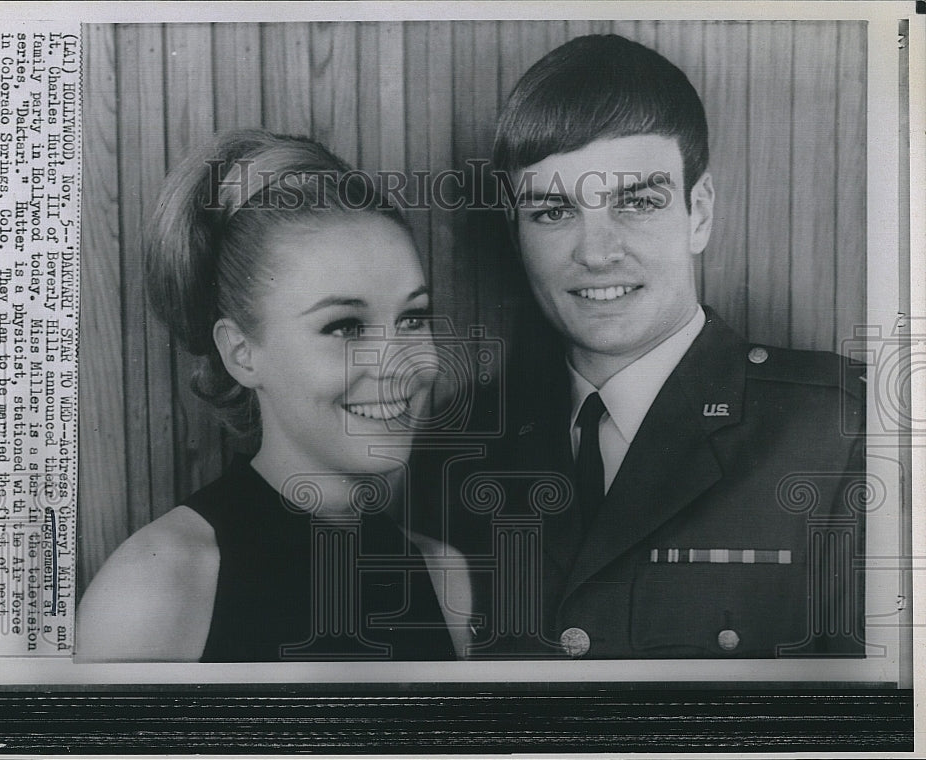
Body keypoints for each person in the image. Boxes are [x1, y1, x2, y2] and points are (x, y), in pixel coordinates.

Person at [454, 34, 866, 659]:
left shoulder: (837, 427)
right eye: (552, 212)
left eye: (637, 202)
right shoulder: (465, 445)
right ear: (515, 234)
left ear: (698, 213)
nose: (596, 253)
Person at [76, 130, 472, 662]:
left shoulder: (443, 576)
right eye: (346, 327)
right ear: (242, 352)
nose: (398, 364)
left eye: (412, 318)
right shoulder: (158, 585)